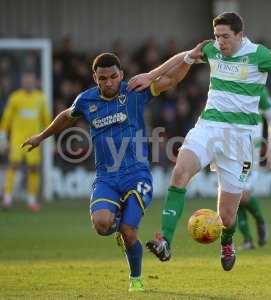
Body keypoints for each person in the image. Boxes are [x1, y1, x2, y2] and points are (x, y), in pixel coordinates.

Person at [130, 12, 271, 271]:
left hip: (239, 139)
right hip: (208, 127)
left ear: (239, 35)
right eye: (216, 36)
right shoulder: (212, 50)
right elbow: (183, 57)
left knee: (227, 215)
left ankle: (227, 242)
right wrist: (150, 74)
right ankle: (165, 240)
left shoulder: (259, 55)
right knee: (180, 173)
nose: (220, 42)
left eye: (225, 36)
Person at [21, 45, 203, 292]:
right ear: (95, 78)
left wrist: (189, 60)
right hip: (106, 177)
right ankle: (118, 224)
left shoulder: (135, 91)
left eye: (113, 76)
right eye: (102, 78)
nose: (108, 82)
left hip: (137, 174)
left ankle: (136, 279)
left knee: (129, 231)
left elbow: (170, 80)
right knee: (102, 225)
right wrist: (41, 137)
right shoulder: (86, 100)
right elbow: (66, 116)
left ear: (122, 73)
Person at [0, 71, 50, 212]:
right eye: (25, 80)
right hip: (17, 139)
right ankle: (7, 198)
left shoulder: (40, 98)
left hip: (34, 139)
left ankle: (31, 200)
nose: (28, 83)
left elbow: (45, 119)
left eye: (30, 80)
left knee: (33, 168)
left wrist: (47, 137)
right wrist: (3, 136)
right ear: (22, 82)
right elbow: (7, 118)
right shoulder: (15, 97)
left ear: (35, 82)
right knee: (13, 165)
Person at [238, 88, 271, 250]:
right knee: (231, 197)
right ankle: (248, 240)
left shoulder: (258, 89)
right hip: (229, 146)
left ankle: (259, 220)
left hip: (251, 157)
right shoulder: (225, 85)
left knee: (241, 196)